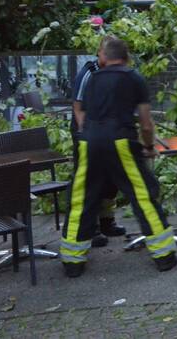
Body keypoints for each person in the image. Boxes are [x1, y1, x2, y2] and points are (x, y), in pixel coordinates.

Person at [61, 37, 177, 276]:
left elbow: (80, 111)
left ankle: (72, 263)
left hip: (88, 141)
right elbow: (146, 123)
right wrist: (147, 147)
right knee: (142, 195)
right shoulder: (133, 78)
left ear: (104, 57)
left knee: (81, 198)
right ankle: (165, 256)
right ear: (126, 57)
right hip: (120, 140)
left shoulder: (92, 79)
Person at [70, 36, 127, 248]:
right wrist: (86, 134)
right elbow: (78, 107)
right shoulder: (89, 73)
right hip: (88, 132)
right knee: (89, 181)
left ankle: (106, 221)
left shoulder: (115, 71)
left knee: (110, 179)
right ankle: (90, 227)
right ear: (100, 54)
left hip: (108, 132)